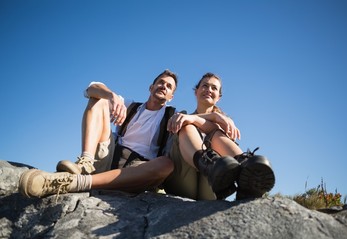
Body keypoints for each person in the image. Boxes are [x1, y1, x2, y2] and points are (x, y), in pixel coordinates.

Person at [19, 70, 179, 200]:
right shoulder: (131, 106)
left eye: (169, 86)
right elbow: (91, 89)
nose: (163, 86)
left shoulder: (172, 115)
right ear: (151, 87)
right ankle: (85, 163)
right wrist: (111, 96)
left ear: (171, 96)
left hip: (136, 170)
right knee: (99, 99)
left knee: (166, 165)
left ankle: (77, 182)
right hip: (108, 158)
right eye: (161, 82)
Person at [164, 72, 275, 201]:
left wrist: (212, 118)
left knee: (217, 133)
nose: (208, 90)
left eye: (214, 88)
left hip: (212, 185)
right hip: (181, 181)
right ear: (196, 91)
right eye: (205, 86)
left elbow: (214, 129)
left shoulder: (224, 124)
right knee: (186, 124)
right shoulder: (181, 116)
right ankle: (209, 164)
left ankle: (245, 169)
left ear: (219, 98)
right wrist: (210, 117)